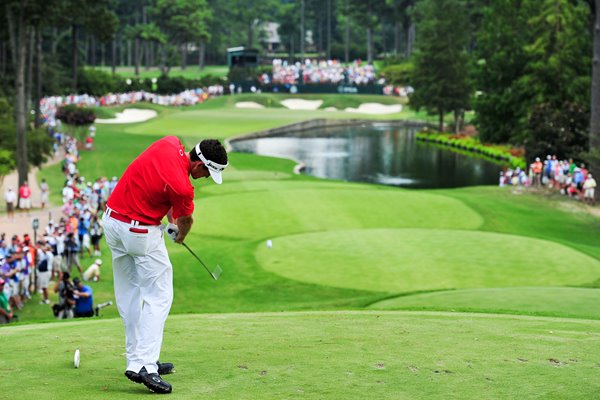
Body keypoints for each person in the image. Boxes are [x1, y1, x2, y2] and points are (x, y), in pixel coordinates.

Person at [103, 136, 228, 394]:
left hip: (112, 223)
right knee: (159, 296)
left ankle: (136, 360)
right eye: (207, 173)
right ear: (199, 165)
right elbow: (186, 219)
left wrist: (171, 223)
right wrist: (180, 234)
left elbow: (166, 193)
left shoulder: (169, 143)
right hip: (138, 233)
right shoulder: (184, 187)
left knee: (129, 294)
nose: (205, 178)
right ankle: (147, 366)